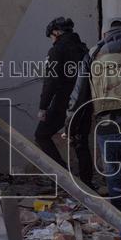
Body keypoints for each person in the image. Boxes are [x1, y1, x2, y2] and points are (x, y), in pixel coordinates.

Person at [66, 18, 121, 210]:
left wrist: (69, 126)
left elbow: (79, 95)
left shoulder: (93, 54)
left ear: (104, 35)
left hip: (107, 129)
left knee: (115, 181)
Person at [35, 17, 91, 183]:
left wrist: (43, 107)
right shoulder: (85, 49)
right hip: (85, 102)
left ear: (57, 32)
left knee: (41, 135)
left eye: (51, 36)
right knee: (81, 141)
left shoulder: (57, 50)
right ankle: (86, 185)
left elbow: (51, 81)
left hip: (64, 103)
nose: (51, 40)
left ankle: (65, 176)